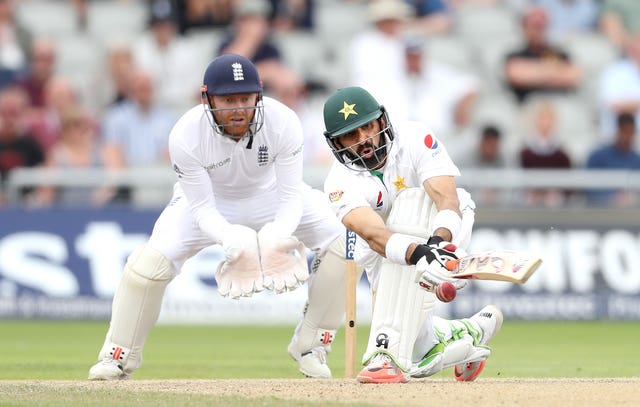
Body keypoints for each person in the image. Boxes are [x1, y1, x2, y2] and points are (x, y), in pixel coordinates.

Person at [88, 54, 349, 380]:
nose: (239, 108)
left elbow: (291, 194)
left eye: (246, 98)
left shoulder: (283, 121)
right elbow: (202, 209)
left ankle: (311, 345)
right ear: (207, 98)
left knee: (346, 243)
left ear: (259, 95)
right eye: (228, 99)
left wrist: (278, 234)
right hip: (208, 202)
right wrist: (231, 237)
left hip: (272, 196)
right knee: (146, 269)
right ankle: (118, 355)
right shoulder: (185, 133)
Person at [319, 86, 503, 383]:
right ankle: (469, 334)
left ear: (381, 122)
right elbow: (373, 233)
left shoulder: (415, 137)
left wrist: (439, 245)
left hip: (444, 229)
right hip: (388, 253)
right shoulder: (338, 182)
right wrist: (420, 254)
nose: (363, 140)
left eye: (367, 127)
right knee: (421, 348)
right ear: (337, 143)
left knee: (411, 203)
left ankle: (385, 354)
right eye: (351, 136)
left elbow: (447, 198)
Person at [585, 112, 640, 207]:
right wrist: (611, 197)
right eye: (624, 132)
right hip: (602, 212)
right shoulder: (598, 156)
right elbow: (588, 188)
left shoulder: (636, 159)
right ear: (618, 130)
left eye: (630, 132)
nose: (627, 137)